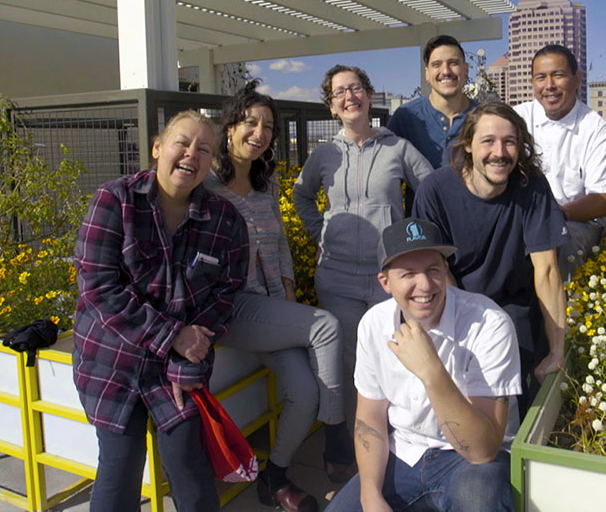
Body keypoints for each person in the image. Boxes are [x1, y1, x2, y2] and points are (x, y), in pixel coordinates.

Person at [73, 110, 248, 512]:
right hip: (112, 362)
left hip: (177, 368)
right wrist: (174, 337)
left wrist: (189, 356)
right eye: (181, 143)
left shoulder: (225, 220)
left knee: (191, 471)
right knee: (119, 471)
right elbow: (100, 289)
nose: (191, 154)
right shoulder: (114, 201)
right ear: (157, 148)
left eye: (203, 149)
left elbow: (226, 293)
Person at [206, 81, 343, 512]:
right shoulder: (207, 183)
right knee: (325, 324)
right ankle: (339, 435)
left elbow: (280, 241)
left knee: (303, 392)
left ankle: (275, 477)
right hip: (230, 307)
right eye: (250, 122)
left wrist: (286, 285)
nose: (259, 133)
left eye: (267, 126)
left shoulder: (266, 181)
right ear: (229, 127)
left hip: (269, 307)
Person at [293, 64, 433, 480]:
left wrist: (411, 242)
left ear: (369, 96)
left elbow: (430, 189)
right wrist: (322, 232)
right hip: (336, 277)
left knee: (394, 358)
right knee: (346, 362)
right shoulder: (324, 153)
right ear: (332, 105)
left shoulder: (398, 148)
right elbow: (302, 195)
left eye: (355, 88)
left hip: (385, 278)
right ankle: (345, 446)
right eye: (339, 92)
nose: (349, 97)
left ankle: (394, 446)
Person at [326, 217, 520, 512]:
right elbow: (370, 418)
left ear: (445, 270)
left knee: (480, 503)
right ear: (385, 283)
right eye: (408, 274)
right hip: (404, 453)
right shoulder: (374, 324)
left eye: (433, 270)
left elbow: (483, 451)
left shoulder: (489, 324)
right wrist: (370, 495)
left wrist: (432, 372)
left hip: (470, 462)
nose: (425, 285)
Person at [411, 101, 567, 415]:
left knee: (513, 398)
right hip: (453, 301)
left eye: (509, 141)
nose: (500, 151)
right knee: (459, 391)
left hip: (513, 305)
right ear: (467, 145)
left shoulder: (532, 186)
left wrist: (557, 350)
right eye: (488, 141)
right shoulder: (435, 190)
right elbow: (437, 271)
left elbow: (547, 270)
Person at [514, 44, 606, 280]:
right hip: (522, 218)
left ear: (577, 79)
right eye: (541, 77)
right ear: (532, 83)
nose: (549, 86)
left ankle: (556, 314)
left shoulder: (595, 129)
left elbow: (600, 201)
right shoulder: (517, 119)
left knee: (554, 247)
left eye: (558, 75)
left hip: (575, 221)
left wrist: (552, 215)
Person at [386, 35, 479, 167]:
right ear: (427, 74)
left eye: (453, 63)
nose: (446, 71)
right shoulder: (406, 117)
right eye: (436, 64)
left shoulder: (484, 116)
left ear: (466, 70)